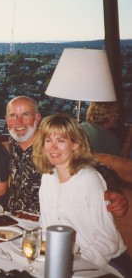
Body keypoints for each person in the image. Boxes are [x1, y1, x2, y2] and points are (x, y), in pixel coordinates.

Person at [33, 113, 131, 277]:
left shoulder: (88, 179)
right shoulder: (48, 176)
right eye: (48, 140)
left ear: (76, 145)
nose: (53, 147)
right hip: (63, 261)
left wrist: (72, 267)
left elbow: (108, 240)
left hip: (104, 264)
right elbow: (45, 224)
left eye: (61, 141)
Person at [5, 96, 128, 217]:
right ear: (6, 119)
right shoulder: (13, 142)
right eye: (13, 116)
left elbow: (101, 168)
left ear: (37, 118)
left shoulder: (53, 147)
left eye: (25, 115)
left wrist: (114, 192)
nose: (19, 122)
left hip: (44, 222)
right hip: (12, 218)